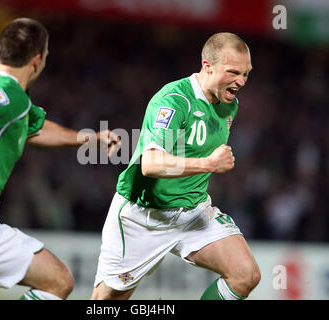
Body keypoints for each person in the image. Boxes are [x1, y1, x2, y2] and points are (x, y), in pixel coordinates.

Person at [0, 18, 119, 300]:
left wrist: (90, 138)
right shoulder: (9, 94)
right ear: (37, 60)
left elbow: (37, 127)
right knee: (58, 281)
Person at [91, 32, 261, 300]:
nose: (241, 81)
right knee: (105, 303)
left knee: (245, 275)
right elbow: (151, 164)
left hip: (193, 212)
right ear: (208, 66)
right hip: (143, 217)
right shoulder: (174, 101)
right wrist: (208, 163)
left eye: (246, 74)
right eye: (233, 72)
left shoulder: (230, 105)